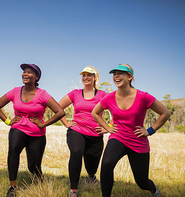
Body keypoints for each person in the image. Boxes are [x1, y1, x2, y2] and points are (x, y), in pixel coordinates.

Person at [92, 64, 170, 197]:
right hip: (118, 138)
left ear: (130, 77)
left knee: (142, 182)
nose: (116, 76)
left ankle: (153, 189)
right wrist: (108, 128)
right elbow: (95, 113)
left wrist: (149, 131)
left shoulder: (143, 96)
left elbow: (165, 113)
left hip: (138, 141)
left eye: (120, 73)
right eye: (114, 74)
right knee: (106, 164)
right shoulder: (109, 97)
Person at [0, 64, 65, 197]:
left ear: (37, 77)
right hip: (18, 128)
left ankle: (39, 177)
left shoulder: (42, 94)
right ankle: (12, 186)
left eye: (29, 72)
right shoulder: (15, 91)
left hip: (37, 134)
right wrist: (7, 121)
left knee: (33, 166)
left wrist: (43, 124)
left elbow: (60, 112)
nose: (25, 74)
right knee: (13, 149)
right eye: (24, 72)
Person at [59, 66, 107, 197]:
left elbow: (117, 109)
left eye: (89, 75)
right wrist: (67, 123)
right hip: (77, 130)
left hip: (95, 133)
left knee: (93, 163)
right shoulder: (75, 93)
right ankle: (73, 189)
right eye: (84, 75)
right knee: (76, 152)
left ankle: (91, 176)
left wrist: (107, 127)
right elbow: (58, 107)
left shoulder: (103, 95)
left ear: (95, 77)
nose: (86, 77)